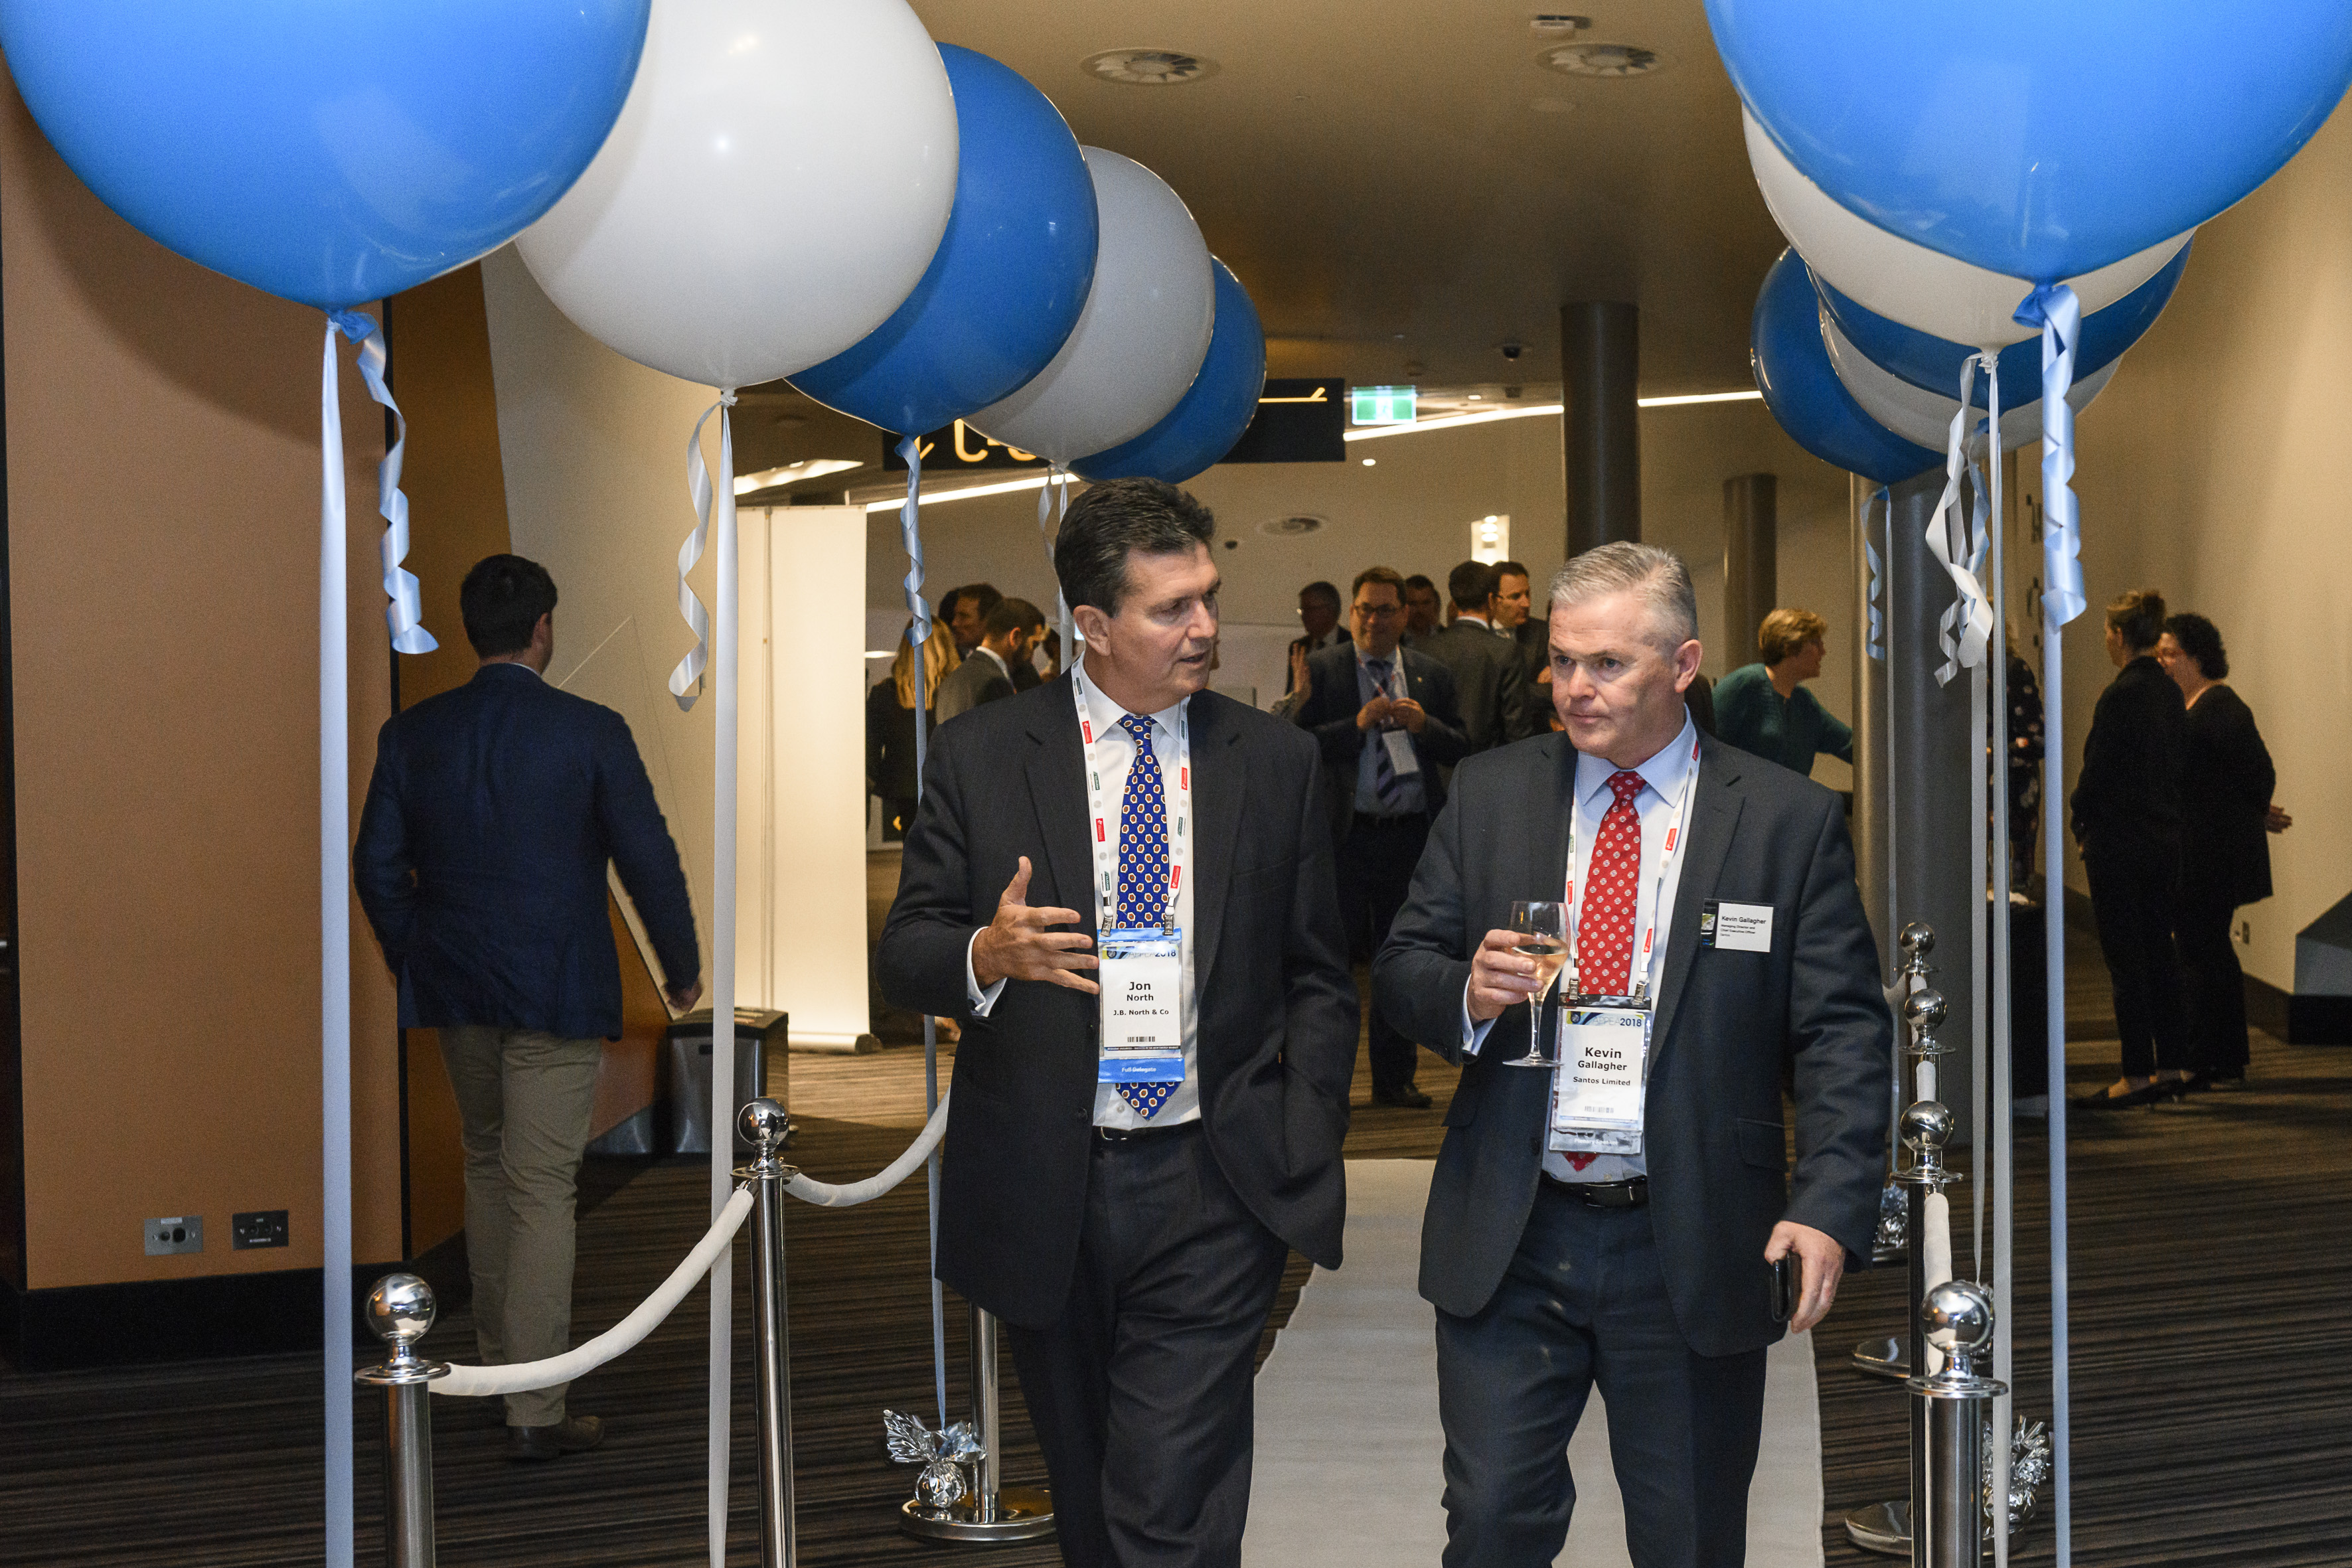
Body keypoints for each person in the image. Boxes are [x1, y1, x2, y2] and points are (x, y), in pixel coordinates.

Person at [1373, 542, 1889, 1567]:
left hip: (1689, 1233)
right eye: (1562, 660)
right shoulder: (1490, 791)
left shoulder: (1781, 819)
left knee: (1688, 1535)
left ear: (1683, 664)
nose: (1574, 687)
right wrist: (1464, 991)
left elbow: (1839, 1030)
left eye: (1607, 663)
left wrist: (1829, 1202)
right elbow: (1398, 967)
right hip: (1514, 1226)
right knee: (1489, 1523)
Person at [876, 478, 1358, 1568]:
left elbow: (1319, 971)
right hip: (1044, 1180)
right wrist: (983, 953)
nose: (1204, 627)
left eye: (1208, 597)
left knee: (1165, 1498)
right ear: (1090, 624)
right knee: (1092, 1497)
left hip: (1213, 1176)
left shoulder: (1270, 760)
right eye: (1170, 608)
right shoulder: (982, 755)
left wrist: (1303, 1119)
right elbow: (905, 950)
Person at [353, 555, 702, 1462]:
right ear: (543, 628)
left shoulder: (412, 734)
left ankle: (494, 1367)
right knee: (542, 1186)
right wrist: (681, 966)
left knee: (485, 1163)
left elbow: (375, 866)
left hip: (457, 988)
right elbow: (647, 855)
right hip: (555, 987)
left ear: (472, 629)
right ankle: (534, 1405)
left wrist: (414, 953)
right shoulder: (590, 730)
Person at [1296, 566, 1470, 1109]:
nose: (1374, 620)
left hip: (1409, 838)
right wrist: (1356, 725)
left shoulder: (1429, 674)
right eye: (1365, 610)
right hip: (1345, 838)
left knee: (1400, 960)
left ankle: (1395, 1080)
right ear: (1351, 614)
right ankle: (1327, 1082)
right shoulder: (1322, 668)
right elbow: (1296, 746)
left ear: (1404, 615)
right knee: (1334, 966)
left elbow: (1463, 744)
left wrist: (1425, 728)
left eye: (1386, 610)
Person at [2157, 613, 2291, 1087]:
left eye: (2170, 653)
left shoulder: (2221, 708)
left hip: (2213, 854)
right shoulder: (2192, 706)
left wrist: (2252, 810)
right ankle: (2222, 1057)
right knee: (2204, 949)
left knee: (2202, 950)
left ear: (2196, 657)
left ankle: (2206, 1057)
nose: (2162, 660)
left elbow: (2257, 772)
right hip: (2200, 849)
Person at [2070, 588, 2191, 1107]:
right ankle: (2171, 1066)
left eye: (2106, 631)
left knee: (2125, 963)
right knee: (2161, 954)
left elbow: (2096, 773)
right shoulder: (2168, 692)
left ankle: (2135, 1073)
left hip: (2118, 842)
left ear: (2119, 636)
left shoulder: (2119, 695)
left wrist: (2079, 820)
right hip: (2163, 839)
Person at [1711, 609, 1855, 777]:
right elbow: (1705, 745)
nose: (1823, 651)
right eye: (1815, 642)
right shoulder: (1745, 684)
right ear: (1790, 646)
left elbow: (1852, 746)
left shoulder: (1805, 703)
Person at [1423, 559, 1531, 755]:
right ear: (1491, 600)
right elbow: (1517, 728)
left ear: (1454, 601)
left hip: (1440, 764)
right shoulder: (1506, 651)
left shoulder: (1427, 649)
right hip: (1489, 765)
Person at [866, 621, 957, 842]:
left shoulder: (885, 693)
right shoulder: (955, 692)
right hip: (949, 790)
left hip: (903, 792)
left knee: (915, 849)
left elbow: (870, 752)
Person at [934, 597, 1046, 724]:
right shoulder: (995, 683)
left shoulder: (953, 678)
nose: (1032, 655)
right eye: (1034, 645)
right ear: (1015, 637)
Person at [1285, 579, 1350, 692]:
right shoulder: (1298, 648)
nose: (1304, 616)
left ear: (1329, 610)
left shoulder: (1351, 644)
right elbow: (1291, 694)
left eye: (1309, 609)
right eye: (1302, 610)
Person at [941, 582, 1005, 660]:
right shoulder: (947, 660)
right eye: (955, 615)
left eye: (964, 616)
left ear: (988, 620)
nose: (954, 623)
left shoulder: (1006, 662)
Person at [1403, 572, 1443, 643]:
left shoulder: (1449, 639)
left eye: (1426, 603)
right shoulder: (1392, 641)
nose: (1420, 610)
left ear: (1436, 606)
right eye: (1413, 604)